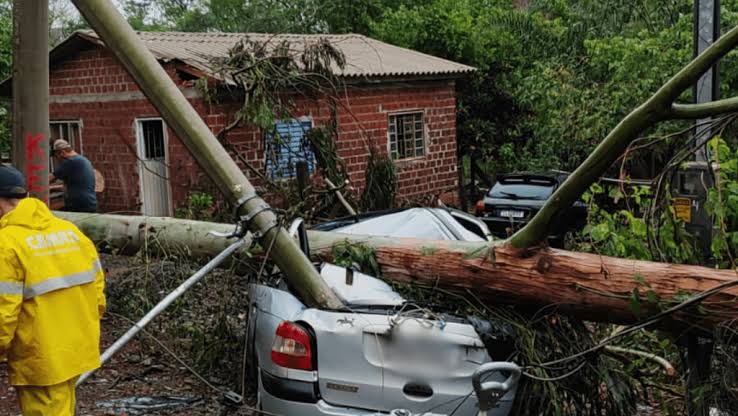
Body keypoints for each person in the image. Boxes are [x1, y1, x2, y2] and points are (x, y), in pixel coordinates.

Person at [0, 164, 106, 415]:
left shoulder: (7, 244)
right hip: (76, 349)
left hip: (40, 357)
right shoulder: (70, 231)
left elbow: (4, 312)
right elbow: (98, 294)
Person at [50, 139, 97, 212]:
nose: (57, 160)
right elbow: (77, 186)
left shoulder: (70, 162)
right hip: (90, 204)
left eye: (56, 157)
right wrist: (52, 188)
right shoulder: (83, 160)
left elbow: (48, 179)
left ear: (62, 152)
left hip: (79, 207)